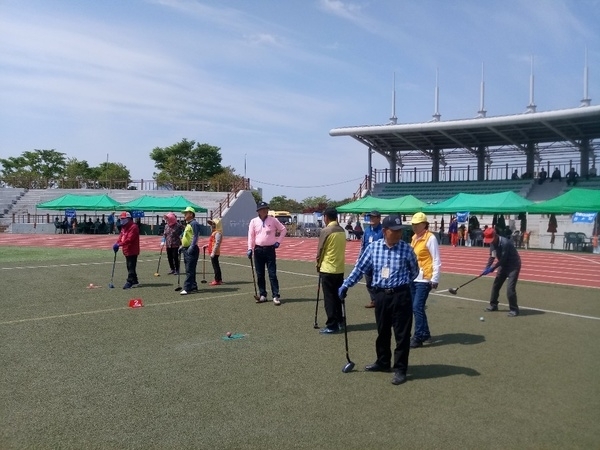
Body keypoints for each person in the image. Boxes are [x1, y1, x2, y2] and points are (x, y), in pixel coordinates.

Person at [338, 215, 419, 386]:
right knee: (382, 331)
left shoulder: (407, 249)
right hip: (381, 296)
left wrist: (400, 285)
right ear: (384, 231)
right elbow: (360, 269)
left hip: (401, 296)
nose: (398, 234)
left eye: (400, 231)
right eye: (394, 231)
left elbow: (414, 272)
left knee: (402, 335)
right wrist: (346, 285)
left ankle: (400, 369)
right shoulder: (373, 249)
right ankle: (383, 362)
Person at [409, 212, 441, 348]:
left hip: (424, 278)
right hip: (413, 277)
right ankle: (425, 333)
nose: (414, 227)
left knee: (417, 307)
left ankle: (419, 336)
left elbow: (436, 258)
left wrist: (435, 278)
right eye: (413, 224)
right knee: (417, 307)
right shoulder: (414, 237)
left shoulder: (430, 238)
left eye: (417, 224)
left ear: (424, 224)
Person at [247, 201, 287, 305]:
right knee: (260, 274)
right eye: (262, 209)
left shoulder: (273, 220)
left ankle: (276, 295)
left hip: (270, 250)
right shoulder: (253, 221)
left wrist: (278, 242)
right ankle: (263, 294)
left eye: (265, 208)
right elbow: (251, 236)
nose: (264, 210)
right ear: (258, 211)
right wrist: (250, 248)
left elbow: (283, 230)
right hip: (258, 250)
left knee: (272, 274)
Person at [315, 207, 346, 334]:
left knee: (329, 298)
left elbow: (320, 250)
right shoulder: (342, 230)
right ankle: (340, 321)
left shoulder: (326, 230)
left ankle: (332, 324)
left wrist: (318, 264)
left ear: (326, 217)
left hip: (328, 268)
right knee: (338, 296)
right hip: (339, 268)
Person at [482, 227, 521, 317]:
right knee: (496, 285)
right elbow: (492, 256)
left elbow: (503, 259)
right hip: (503, 265)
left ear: (495, 235)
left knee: (510, 289)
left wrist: (492, 268)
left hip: (513, 265)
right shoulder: (492, 243)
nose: (490, 242)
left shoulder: (505, 243)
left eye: (491, 239)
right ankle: (493, 305)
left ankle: (514, 309)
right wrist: (486, 268)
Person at [360, 210, 383, 308]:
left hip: (379, 262)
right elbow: (363, 245)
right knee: (369, 283)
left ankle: (381, 301)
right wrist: (360, 258)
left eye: (373, 217)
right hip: (368, 262)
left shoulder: (383, 230)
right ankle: (374, 300)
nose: (371, 219)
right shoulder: (367, 230)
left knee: (380, 283)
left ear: (378, 218)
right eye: (370, 217)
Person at [113, 211, 140, 289]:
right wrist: (117, 243)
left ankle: (130, 281)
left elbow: (130, 239)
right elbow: (121, 237)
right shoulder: (124, 227)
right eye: (121, 218)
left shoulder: (133, 227)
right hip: (126, 250)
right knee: (129, 266)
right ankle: (135, 280)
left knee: (131, 266)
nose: (121, 220)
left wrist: (119, 244)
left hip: (133, 250)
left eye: (123, 218)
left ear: (128, 218)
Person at [179, 206, 202, 295]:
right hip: (186, 249)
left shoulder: (194, 224)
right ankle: (193, 286)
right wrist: (182, 245)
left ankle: (187, 288)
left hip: (191, 249)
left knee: (189, 269)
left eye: (186, 213)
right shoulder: (189, 224)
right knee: (189, 269)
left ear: (191, 214)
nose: (184, 215)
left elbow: (196, 236)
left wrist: (191, 246)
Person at [205, 218, 224, 286]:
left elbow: (217, 243)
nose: (212, 226)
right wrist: (207, 245)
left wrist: (213, 252)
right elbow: (213, 242)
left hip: (215, 252)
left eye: (214, 224)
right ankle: (219, 279)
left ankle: (217, 280)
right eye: (212, 224)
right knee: (216, 265)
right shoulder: (215, 232)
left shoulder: (218, 233)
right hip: (213, 251)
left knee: (215, 266)